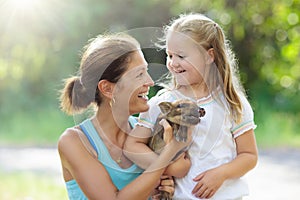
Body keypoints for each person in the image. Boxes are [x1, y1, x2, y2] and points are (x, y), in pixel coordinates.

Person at [124, 13, 258, 200]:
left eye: (181, 56)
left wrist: (221, 173)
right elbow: (132, 145)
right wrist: (164, 165)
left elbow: (249, 155)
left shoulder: (232, 103)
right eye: (169, 55)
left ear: (208, 56)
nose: (173, 63)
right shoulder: (162, 104)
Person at [57, 33, 192, 200]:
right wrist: (169, 152)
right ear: (107, 89)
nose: (150, 82)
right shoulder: (74, 142)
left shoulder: (144, 134)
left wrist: (161, 194)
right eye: (139, 75)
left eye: (146, 72)